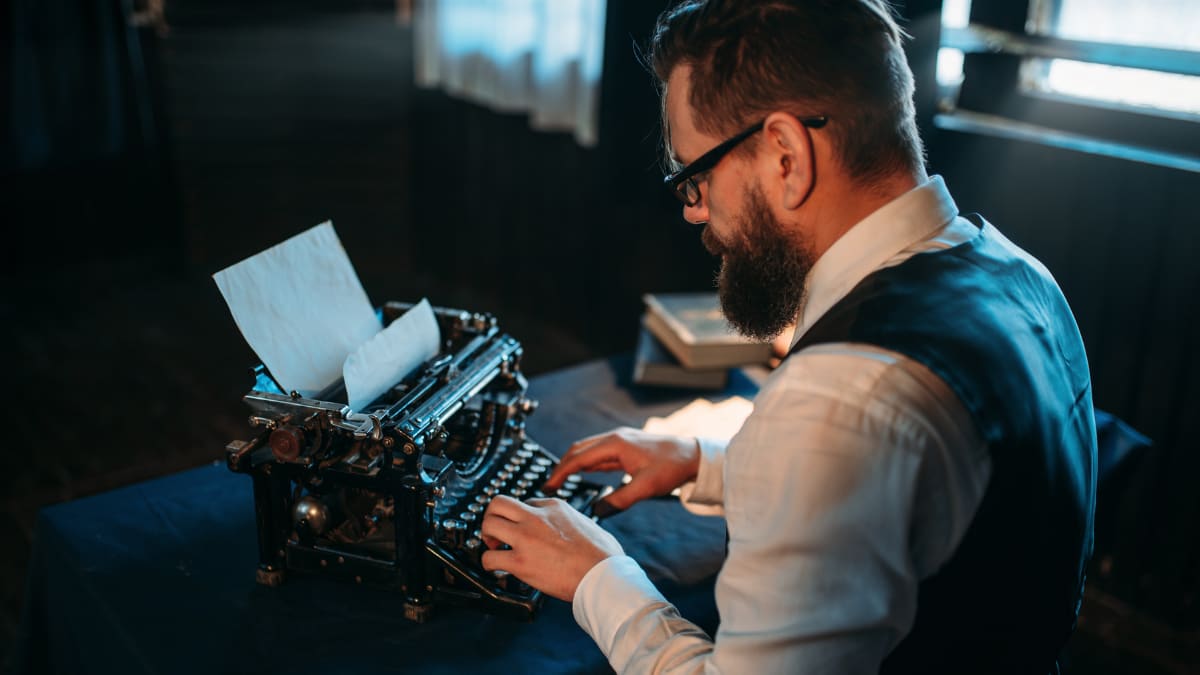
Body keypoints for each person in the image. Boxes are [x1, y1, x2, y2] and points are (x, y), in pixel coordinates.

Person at [480, 1, 1097, 672]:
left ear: (785, 154)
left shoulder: (840, 399)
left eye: (697, 174)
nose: (696, 213)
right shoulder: (1024, 274)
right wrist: (704, 461)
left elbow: (850, 436)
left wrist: (596, 573)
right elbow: (918, 498)